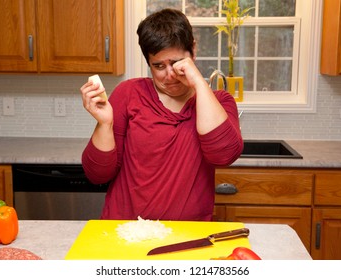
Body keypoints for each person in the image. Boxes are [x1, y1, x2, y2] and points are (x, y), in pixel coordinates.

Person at [80, 8, 243, 221]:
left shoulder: (219, 102)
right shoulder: (129, 94)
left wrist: (199, 84)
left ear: (193, 51)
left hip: (188, 234)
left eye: (177, 63)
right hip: (125, 231)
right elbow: (97, 175)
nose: (170, 75)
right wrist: (104, 124)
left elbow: (224, 155)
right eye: (158, 66)